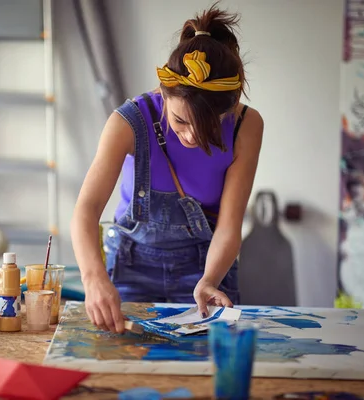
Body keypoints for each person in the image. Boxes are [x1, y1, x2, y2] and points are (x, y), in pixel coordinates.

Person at [71, 4, 263, 334]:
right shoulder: (128, 122)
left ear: (230, 108)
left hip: (207, 266)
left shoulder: (246, 124)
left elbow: (230, 227)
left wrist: (208, 280)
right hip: (132, 266)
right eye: (179, 121)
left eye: (207, 129)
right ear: (163, 91)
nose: (190, 136)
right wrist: (93, 278)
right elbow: (85, 212)